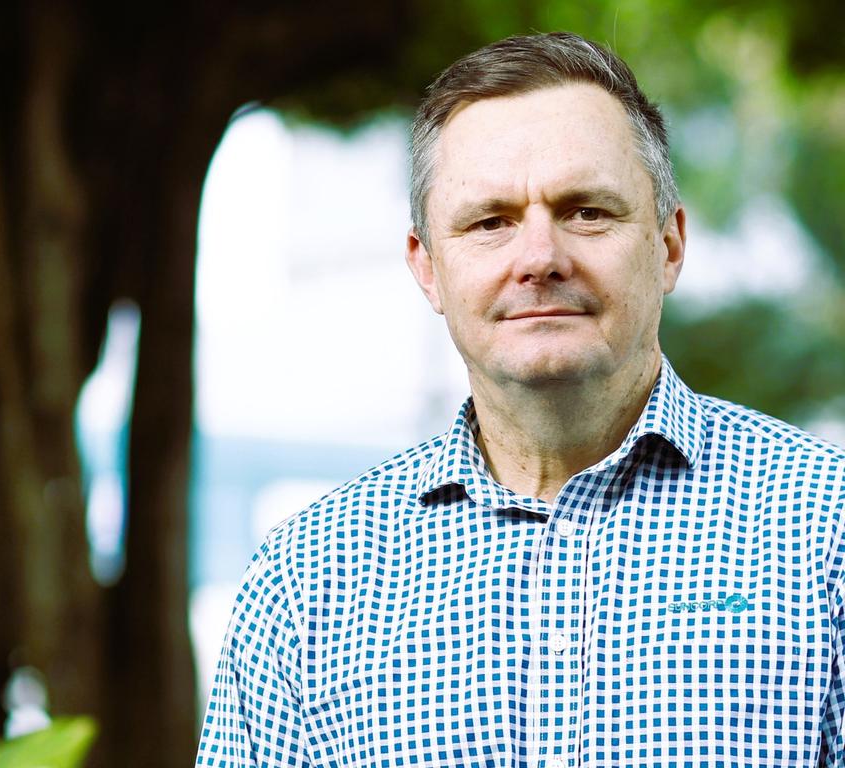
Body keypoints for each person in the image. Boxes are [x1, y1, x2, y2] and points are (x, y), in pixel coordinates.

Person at [195, 32, 845, 767]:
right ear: (429, 268)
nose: (539, 259)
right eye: (490, 222)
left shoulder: (825, 534)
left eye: (587, 212)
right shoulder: (305, 585)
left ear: (668, 245)